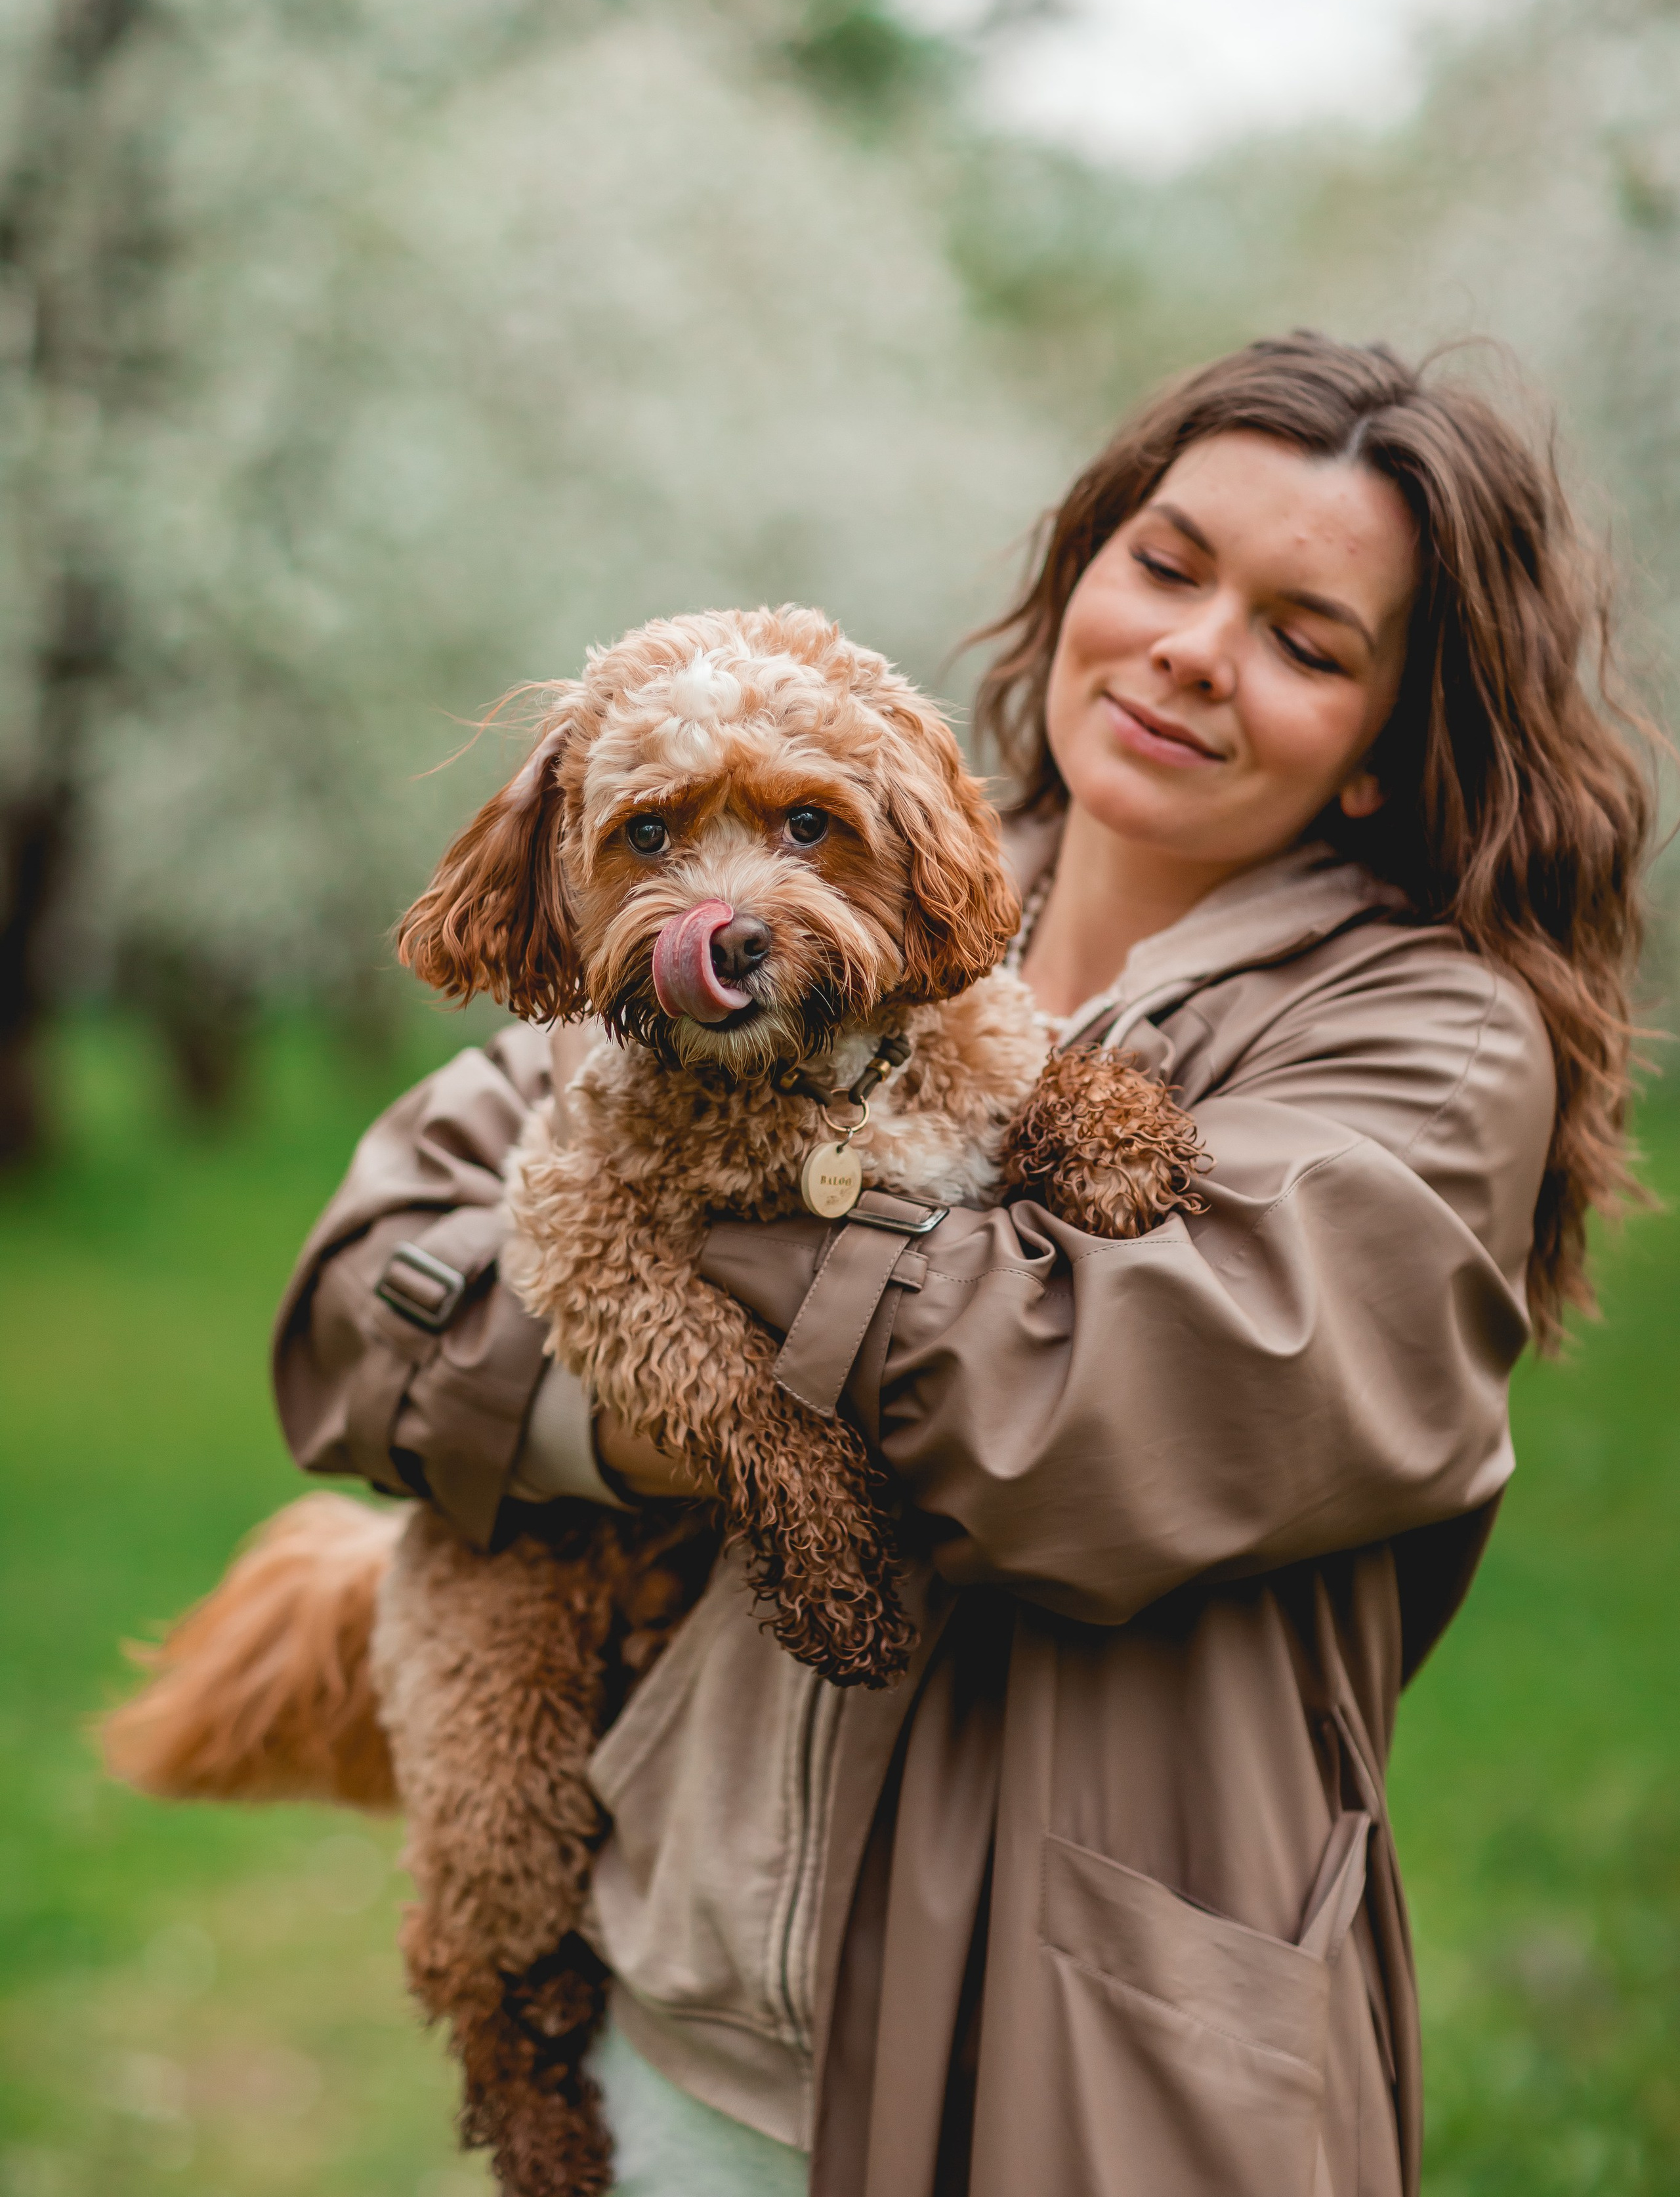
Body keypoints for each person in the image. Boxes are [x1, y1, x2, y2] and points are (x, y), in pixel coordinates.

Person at [274, 334, 1653, 2197]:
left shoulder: (1423, 1043)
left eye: (1306, 640)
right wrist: (643, 1415)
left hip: (1077, 2078)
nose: (1191, 647)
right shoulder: (789, 885)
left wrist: (657, 1275)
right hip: (660, 2023)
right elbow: (357, 1311)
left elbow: (1077, 1426)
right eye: (1167, 565)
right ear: (1086, 569)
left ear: (1381, 750)